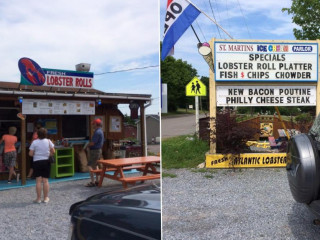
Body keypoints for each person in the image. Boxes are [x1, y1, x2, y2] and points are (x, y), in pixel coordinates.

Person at [29, 128, 55, 203]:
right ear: (46, 134)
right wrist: (48, 154)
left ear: (37, 134)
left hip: (37, 161)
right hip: (46, 161)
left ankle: (38, 198)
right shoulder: (48, 141)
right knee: (45, 180)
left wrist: (36, 154)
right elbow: (53, 151)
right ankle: (46, 198)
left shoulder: (34, 142)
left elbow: (30, 154)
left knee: (38, 181)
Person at [86, 118, 104, 187]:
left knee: (89, 165)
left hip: (94, 151)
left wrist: (87, 146)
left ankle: (92, 182)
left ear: (96, 124)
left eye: (93, 124)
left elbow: (93, 143)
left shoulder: (97, 132)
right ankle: (97, 180)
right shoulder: (101, 131)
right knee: (95, 165)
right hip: (98, 150)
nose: (93, 125)